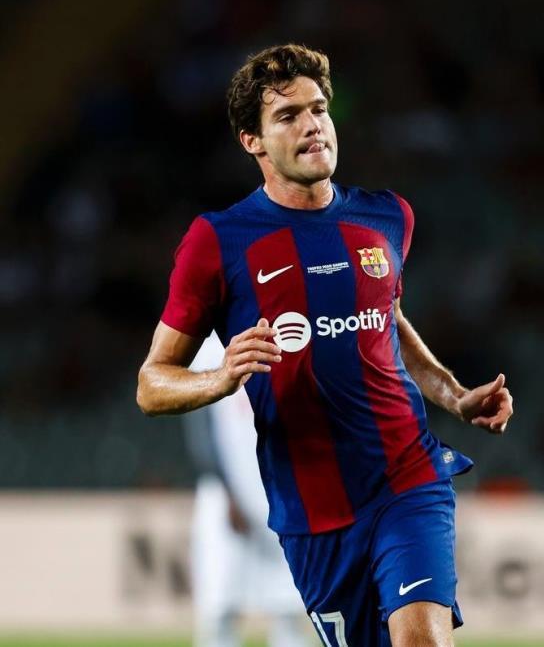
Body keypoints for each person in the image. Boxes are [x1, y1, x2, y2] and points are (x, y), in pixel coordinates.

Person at [137, 44, 514, 647]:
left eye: (318, 109)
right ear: (252, 141)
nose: (312, 124)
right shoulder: (218, 241)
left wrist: (453, 394)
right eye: (288, 115)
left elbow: (387, 320)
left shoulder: (386, 217)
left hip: (406, 479)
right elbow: (152, 384)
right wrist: (221, 376)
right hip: (312, 513)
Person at [184, 332, 311, 647]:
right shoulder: (211, 350)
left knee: (288, 604)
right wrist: (224, 488)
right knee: (220, 602)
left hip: (278, 489)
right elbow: (201, 427)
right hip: (224, 493)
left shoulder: (284, 340)